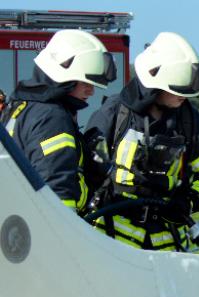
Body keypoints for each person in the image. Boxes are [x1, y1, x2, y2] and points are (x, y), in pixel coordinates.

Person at [84, 31, 199, 252]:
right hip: (111, 239)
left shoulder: (191, 121)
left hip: (167, 243)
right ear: (153, 82)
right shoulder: (115, 114)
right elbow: (86, 169)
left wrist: (189, 200)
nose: (184, 96)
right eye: (177, 88)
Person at [2, 29, 116, 213]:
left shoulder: (22, 106)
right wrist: (68, 226)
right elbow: (57, 187)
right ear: (64, 77)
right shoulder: (52, 118)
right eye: (85, 83)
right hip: (49, 224)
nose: (91, 91)